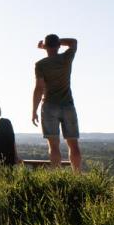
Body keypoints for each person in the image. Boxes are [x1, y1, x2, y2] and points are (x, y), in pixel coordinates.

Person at [32, 34, 82, 171]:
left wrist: (34, 111)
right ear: (59, 46)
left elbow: (39, 88)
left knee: (53, 146)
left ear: (46, 47)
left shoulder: (41, 65)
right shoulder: (66, 58)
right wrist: (54, 43)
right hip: (68, 105)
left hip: (49, 106)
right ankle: (77, 177)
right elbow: (73, 41)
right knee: (73, 145)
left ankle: (56, 176)